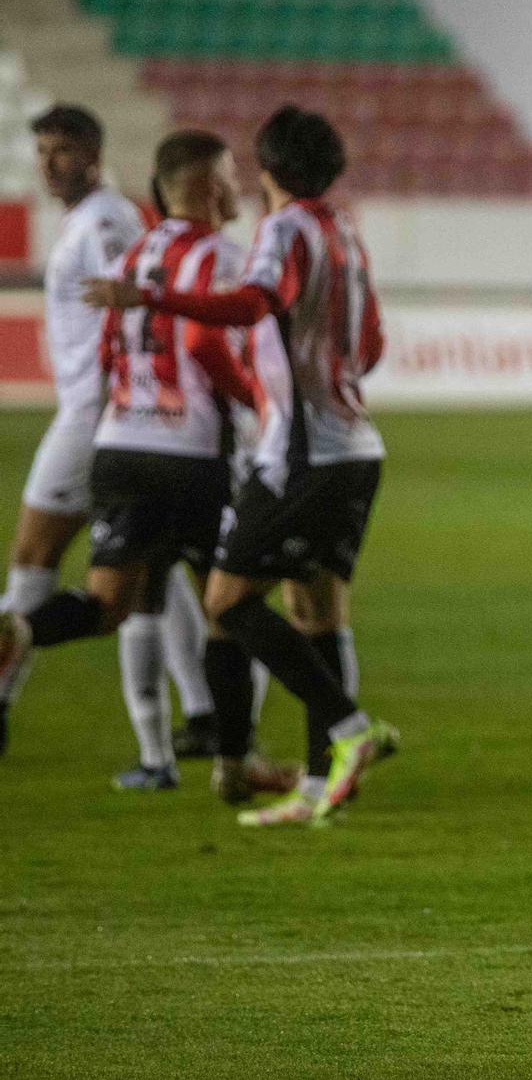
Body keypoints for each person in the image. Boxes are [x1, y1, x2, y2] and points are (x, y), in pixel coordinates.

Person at [74, 105, 397, 827]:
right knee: (316, 609)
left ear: (267, 168)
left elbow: (257, 301)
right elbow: (369, 342)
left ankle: (349, 728)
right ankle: (320, 787)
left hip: (300, 456)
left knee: (227, 603)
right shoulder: (343, 229)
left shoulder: (283, 229)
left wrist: (152, 294)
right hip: (356, 446)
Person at [9, 130, 296, 799]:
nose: (237, 186)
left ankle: (21, 628)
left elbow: (109, 344)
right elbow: (203, 341)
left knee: (109, 602)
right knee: (229, 604)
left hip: (119, 446)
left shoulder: (137, 253)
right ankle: (235, 761)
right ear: (205, 187)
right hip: (191, 456)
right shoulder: (222, 256)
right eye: (227, 174)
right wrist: (250, 400)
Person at [0, 105, 215, 766]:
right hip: (103, 413)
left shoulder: (106, 221)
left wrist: (123, 392)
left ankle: (3, 689)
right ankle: (204, 710)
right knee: (152, 569)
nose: (49, 162)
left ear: (92, 153)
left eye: (62, 149)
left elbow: (135, 300)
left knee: (34, 556)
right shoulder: (85, 221)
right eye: (42, 150)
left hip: (95, 416)